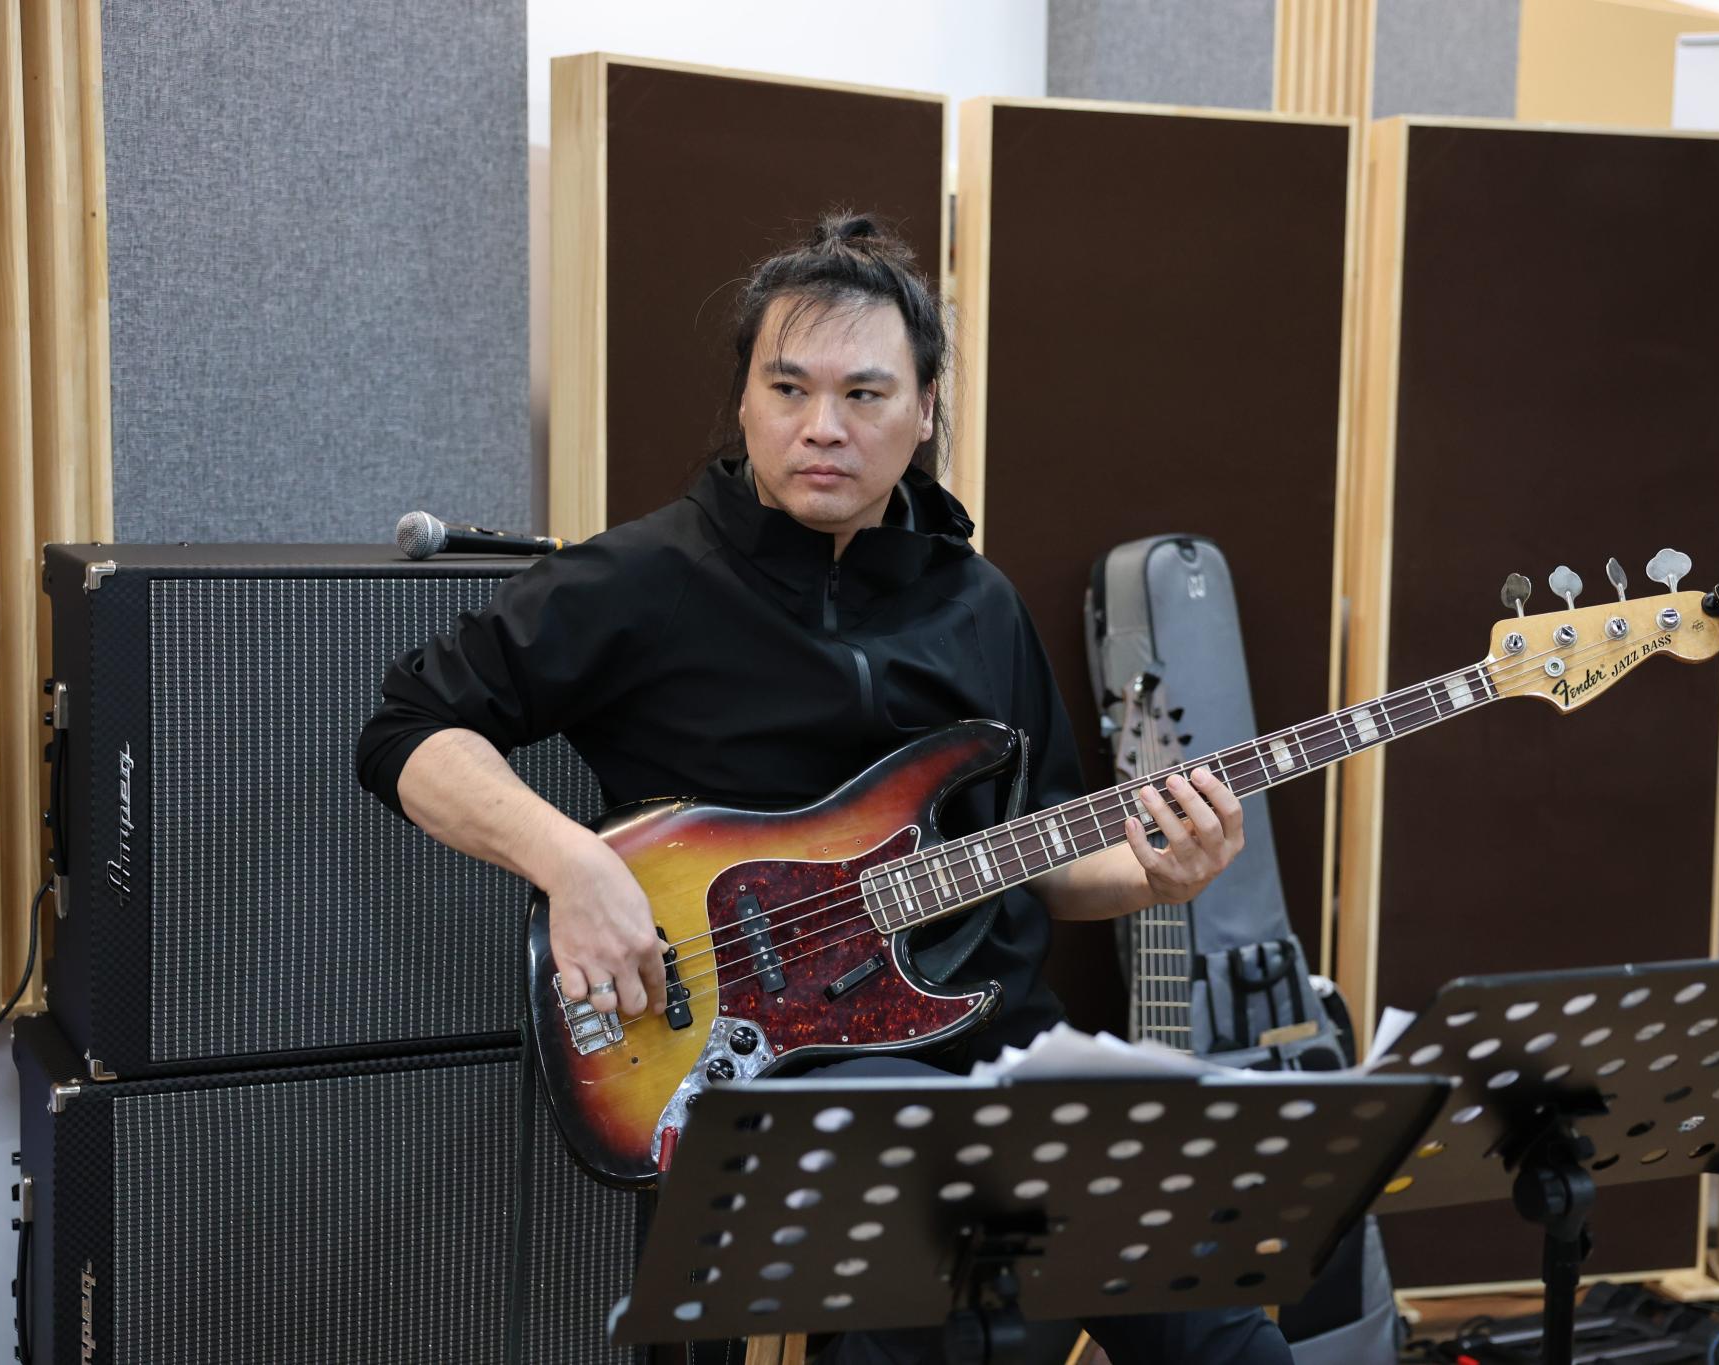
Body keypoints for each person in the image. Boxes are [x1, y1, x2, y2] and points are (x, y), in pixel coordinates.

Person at [356, 212, 1289, 1363]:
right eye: (787, 389)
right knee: (924, 1297)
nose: (821, 428)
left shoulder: (979, 604)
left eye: (863, 395)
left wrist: (1156, 875)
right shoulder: (642, 578)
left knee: (1219, 1324)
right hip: (763, 1059)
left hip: (988, 1038)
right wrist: (573, 864)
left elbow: (1042, 857)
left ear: (925, 409)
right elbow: (410, 730)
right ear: (744, 398)